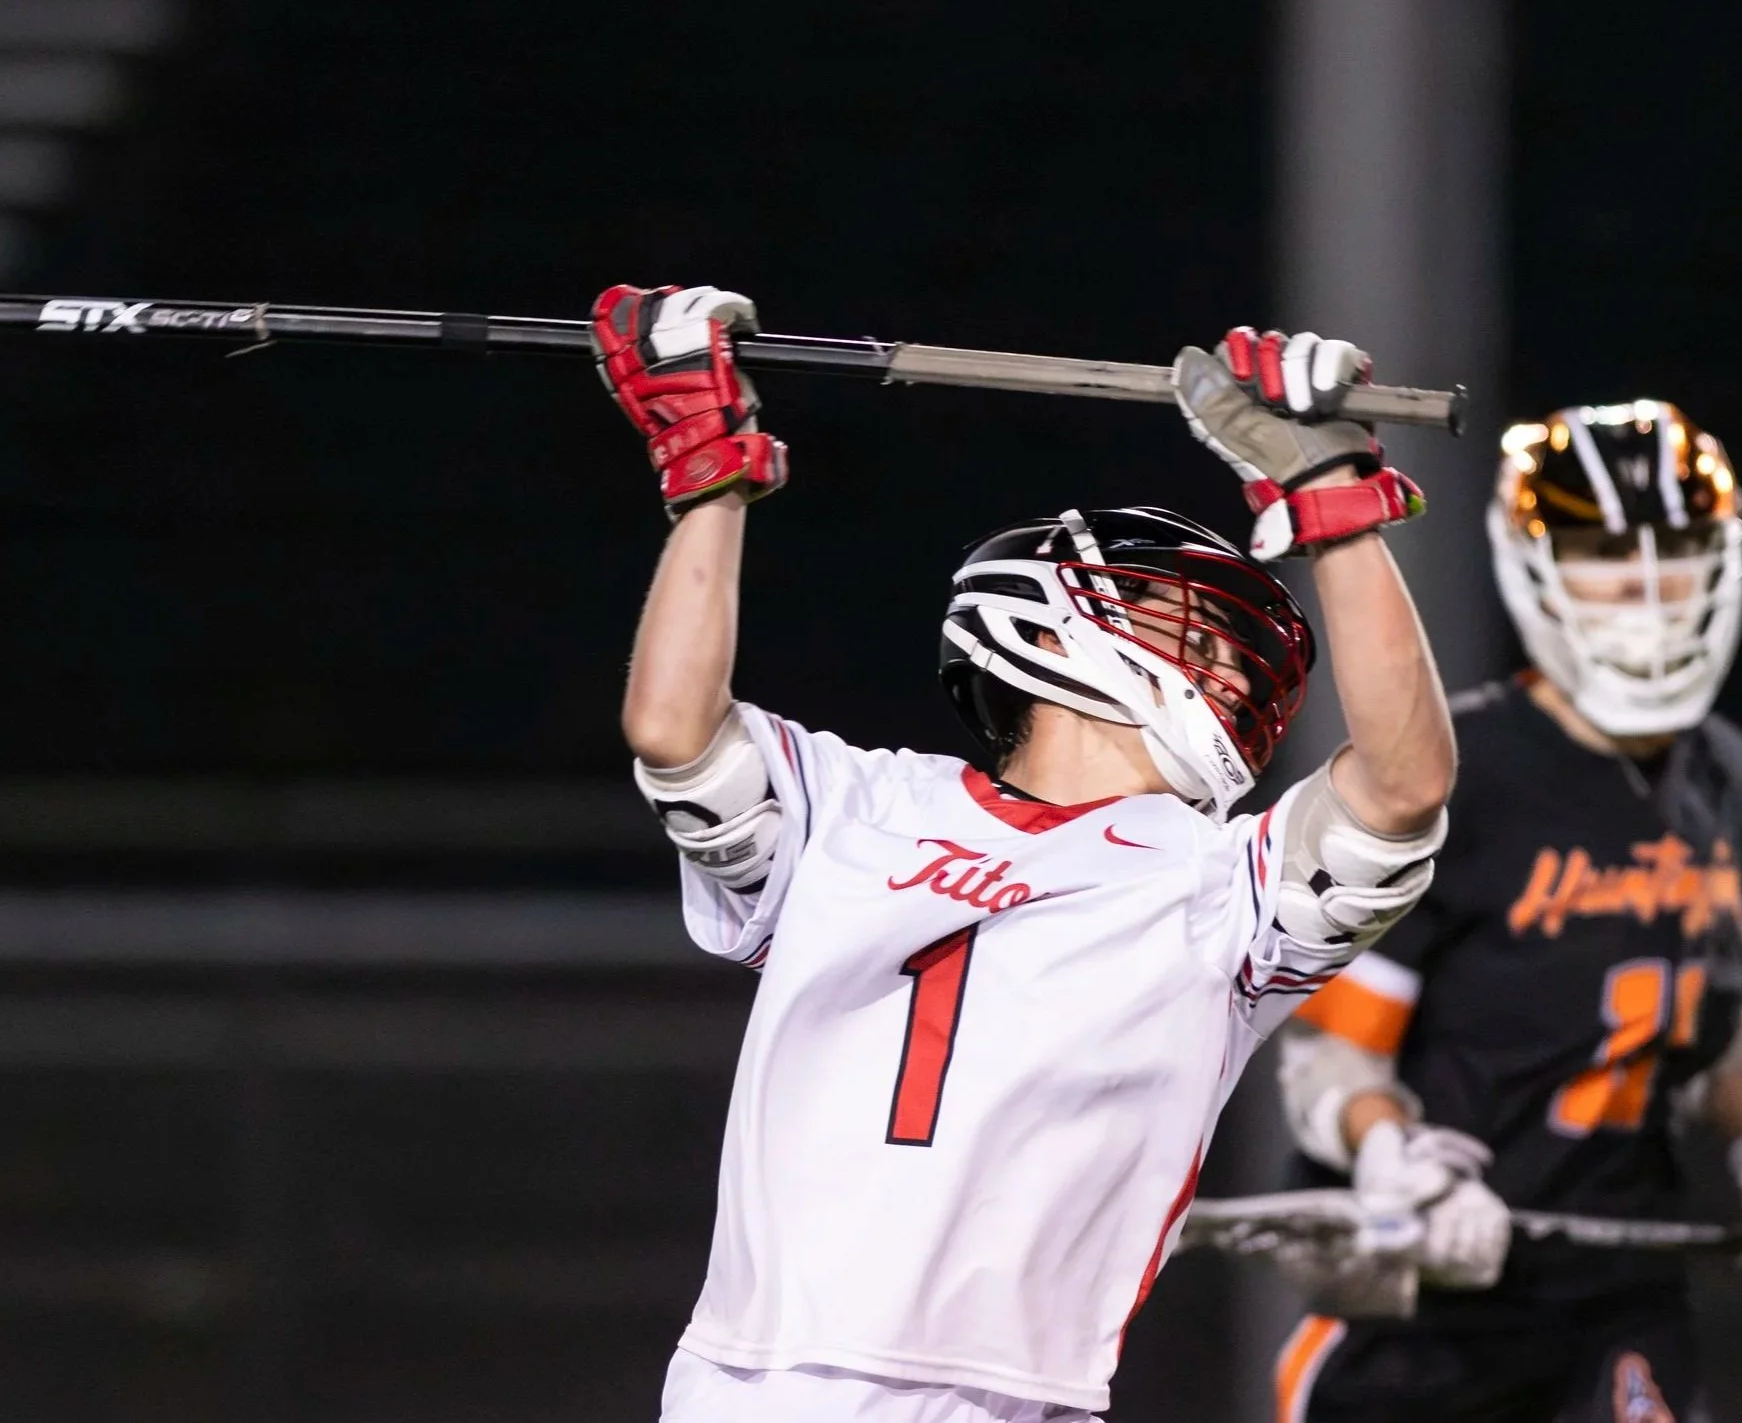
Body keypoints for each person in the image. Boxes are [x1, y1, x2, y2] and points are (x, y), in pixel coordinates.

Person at [597, 282, 1456, 1423]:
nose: (1239, 667)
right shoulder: (858, 803)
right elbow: (673, 728)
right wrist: (708, 470)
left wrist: (1330, 500)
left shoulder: (1216, 888)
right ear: (1048, 624)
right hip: (756, 1378)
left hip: (1013, 1402)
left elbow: (1403, 784)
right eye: (1170, 611)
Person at [1269, 401, 1742, 1423]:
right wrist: (1400, 1159)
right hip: (1426, 1306)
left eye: (1677, 550)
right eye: (1607, 551)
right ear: (1534, 565)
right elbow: (1331, 1058)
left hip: (1619, 1288)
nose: (1648, 589)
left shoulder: (1731, 777)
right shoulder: (1456, 773)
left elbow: (1710, 1016)